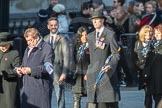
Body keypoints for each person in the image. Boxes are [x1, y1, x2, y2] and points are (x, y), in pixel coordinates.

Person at [86, 11, 120, 108]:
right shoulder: (90, 36)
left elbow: (116, 54)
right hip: (93, 74)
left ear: (103, 20)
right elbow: (88, 55)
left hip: (106, 73)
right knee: (93, 103)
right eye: (94, 21)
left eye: (97, 20)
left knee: (106, 103)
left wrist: (110, 65)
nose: (95, 22)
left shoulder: (110, 34)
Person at [16, 28, 54, 108]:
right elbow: (24, 64)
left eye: (30, 40)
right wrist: (20, 69)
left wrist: (31, 70)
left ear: (37, 38)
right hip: (27, 89)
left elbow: (49, 68)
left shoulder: (46, 48)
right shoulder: (28, 49)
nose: (28, 43)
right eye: (27, 40)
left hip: (40, 89)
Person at [44, 17, 70, 108]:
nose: (53, 27)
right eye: (51, 25)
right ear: (48, 26)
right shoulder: (44, 39)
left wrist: (64, 72)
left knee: (60, 96)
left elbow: (67, 57)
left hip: (58, 72)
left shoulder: (63, 38)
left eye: (55, 25)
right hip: (46, 73)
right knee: (46, 96)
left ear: (58, 26)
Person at [134, 25, 154, 108]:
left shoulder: (154, 42)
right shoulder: (138, 43)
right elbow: (135, 56)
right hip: (142, 70)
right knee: (147, 92)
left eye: (150, 32)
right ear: (142, 33)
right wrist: (138, 65)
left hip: (153, 70)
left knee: (153, 93)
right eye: (146, 32)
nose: (148, 34)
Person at [0, 32, 21, 108]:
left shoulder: (14, 53)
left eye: (5, 45)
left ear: (10, 44)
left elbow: (17, 70)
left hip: (9, 87)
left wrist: (3, 73)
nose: (3, 47)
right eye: (1, 45)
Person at [72, 26, 90, 108]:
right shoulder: (76, 47)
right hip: (78, 74)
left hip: (88, 73)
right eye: (82, 35)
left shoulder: (91, 46)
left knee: (90, 96)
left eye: (86, 35)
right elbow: (72, 59)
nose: (85, 37)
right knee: (76, 96)